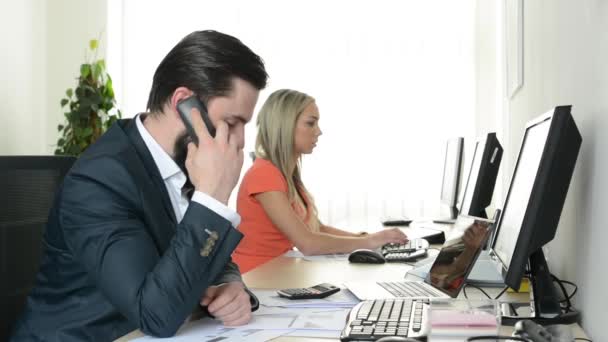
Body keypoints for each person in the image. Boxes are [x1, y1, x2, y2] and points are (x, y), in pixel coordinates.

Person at [11, 30, 268, 341]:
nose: (240, 140)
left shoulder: (184, 162)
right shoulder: (100, 180)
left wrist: (231, 285)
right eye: (232, 122)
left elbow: (207, 254)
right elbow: (155, 315)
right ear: (184, 104)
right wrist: (213, 198)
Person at [232, 89, 408, 273]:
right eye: (310, 123)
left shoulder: (286, 175)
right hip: (256, 280)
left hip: (277, 272)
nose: (319, 131)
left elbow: (317, 228)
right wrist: (369, 241)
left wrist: (367, 238)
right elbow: (308, 243)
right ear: (285, 126)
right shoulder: (264, 174)